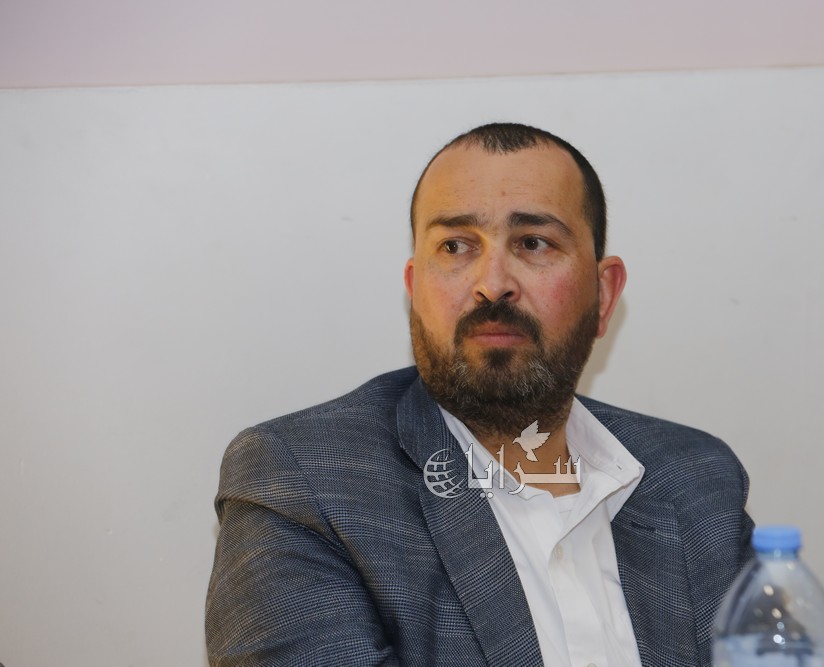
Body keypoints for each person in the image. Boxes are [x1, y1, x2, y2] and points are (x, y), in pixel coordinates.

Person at [206, 122, 753, 666]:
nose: (492, 283)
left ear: (603, 294)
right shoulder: (302, 482)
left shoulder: (697, 480)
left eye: (533, 243)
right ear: (415, 290)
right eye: (456, 246)